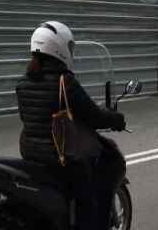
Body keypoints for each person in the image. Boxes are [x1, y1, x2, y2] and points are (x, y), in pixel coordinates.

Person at [16, 21, 126, 230]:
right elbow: (94, 116)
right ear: (59, 48)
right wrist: (115, 119)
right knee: (90, 196)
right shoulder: (64, 82)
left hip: (30, 153)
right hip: (61, 157)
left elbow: (32, 118)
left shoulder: (23, 82)